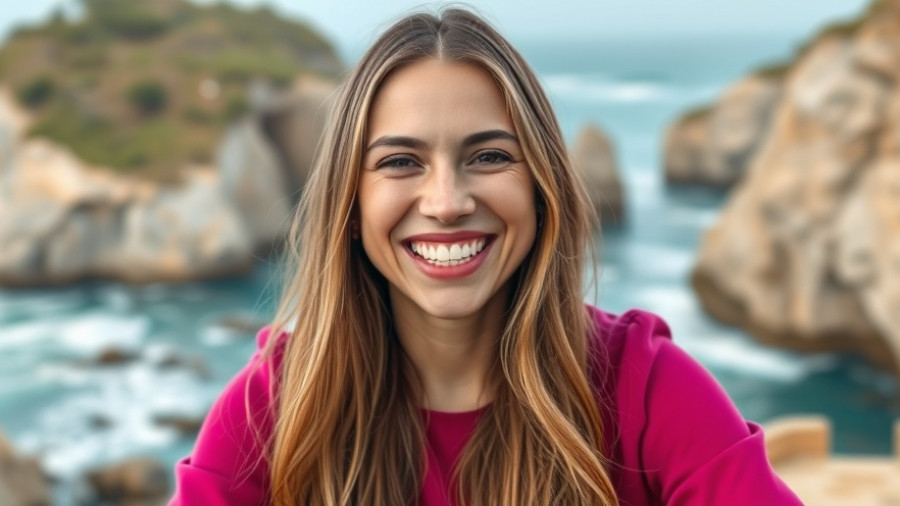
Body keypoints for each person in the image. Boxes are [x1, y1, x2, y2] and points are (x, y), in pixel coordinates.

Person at [170, 8, 803, 506]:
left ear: (541, 188)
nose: (446, 202)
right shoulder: (278, 405)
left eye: (490, 156)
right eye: (400, 162)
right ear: (351, 208)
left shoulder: (646, 389)